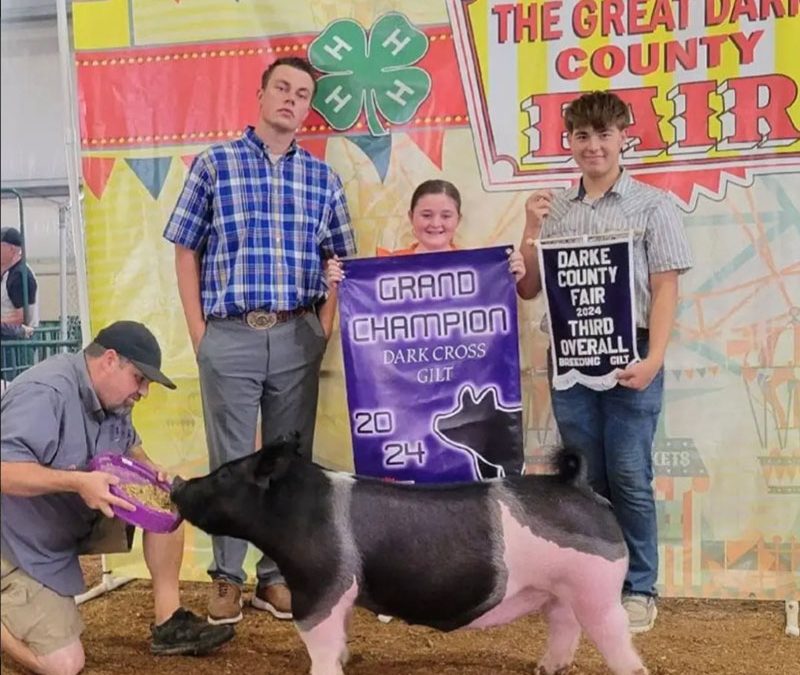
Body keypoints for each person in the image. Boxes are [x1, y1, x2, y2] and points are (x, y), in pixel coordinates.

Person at [164, 56, 357, 626]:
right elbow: (185, 249)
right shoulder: (214, 164)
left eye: (302, 94)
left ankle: (275, 577)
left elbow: (339, 260)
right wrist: (200, 333)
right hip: (229, 333)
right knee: (231, 461)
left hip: (298, 333)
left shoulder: (323, 178)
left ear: (307, 108)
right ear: (261, 94)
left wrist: (323, 325)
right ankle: (226, 578)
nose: (292, 100)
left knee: (287, 463)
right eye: (282, 89)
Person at [516, 91, 693, 633]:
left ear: (623, 137)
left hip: (631, 356)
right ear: (570, 142)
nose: (593, 145)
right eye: (582, 136)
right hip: (570, 357)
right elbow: (528, 288)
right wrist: (528, 232)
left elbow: (665, 289)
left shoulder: (654, 205)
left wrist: (654, 358)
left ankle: (640, 586)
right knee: (584, 480)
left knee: (631, 475)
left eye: (603, 134)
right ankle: (596, 580)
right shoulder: (554, 209)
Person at [0, 321, 234, 675]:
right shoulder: (45, 392)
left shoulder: (111, 397)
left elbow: (129, 444)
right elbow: (4, 470)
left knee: (167, 499)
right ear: (110, 360)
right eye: (140, 379)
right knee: (64, 664)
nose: (144, 393)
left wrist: (153, 471)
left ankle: (169, 623)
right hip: (15, 541)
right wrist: (78, 482)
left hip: (63, 521)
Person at [320, 179, 526, 336]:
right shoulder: (385, 268)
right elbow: (368, 318)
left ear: (458, 219)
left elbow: (490, 315)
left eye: (446, 216)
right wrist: (338, 284)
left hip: (463, 372)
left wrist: (507, 280)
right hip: (404, 377)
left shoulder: (479, 270)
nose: (436, 224)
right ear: (411, 217)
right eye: (426, 215)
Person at [1, 227, 39, 329]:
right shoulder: (9, 273)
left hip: (19, 340)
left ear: (11, 249)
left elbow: (21, 318)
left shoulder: (19, 276)